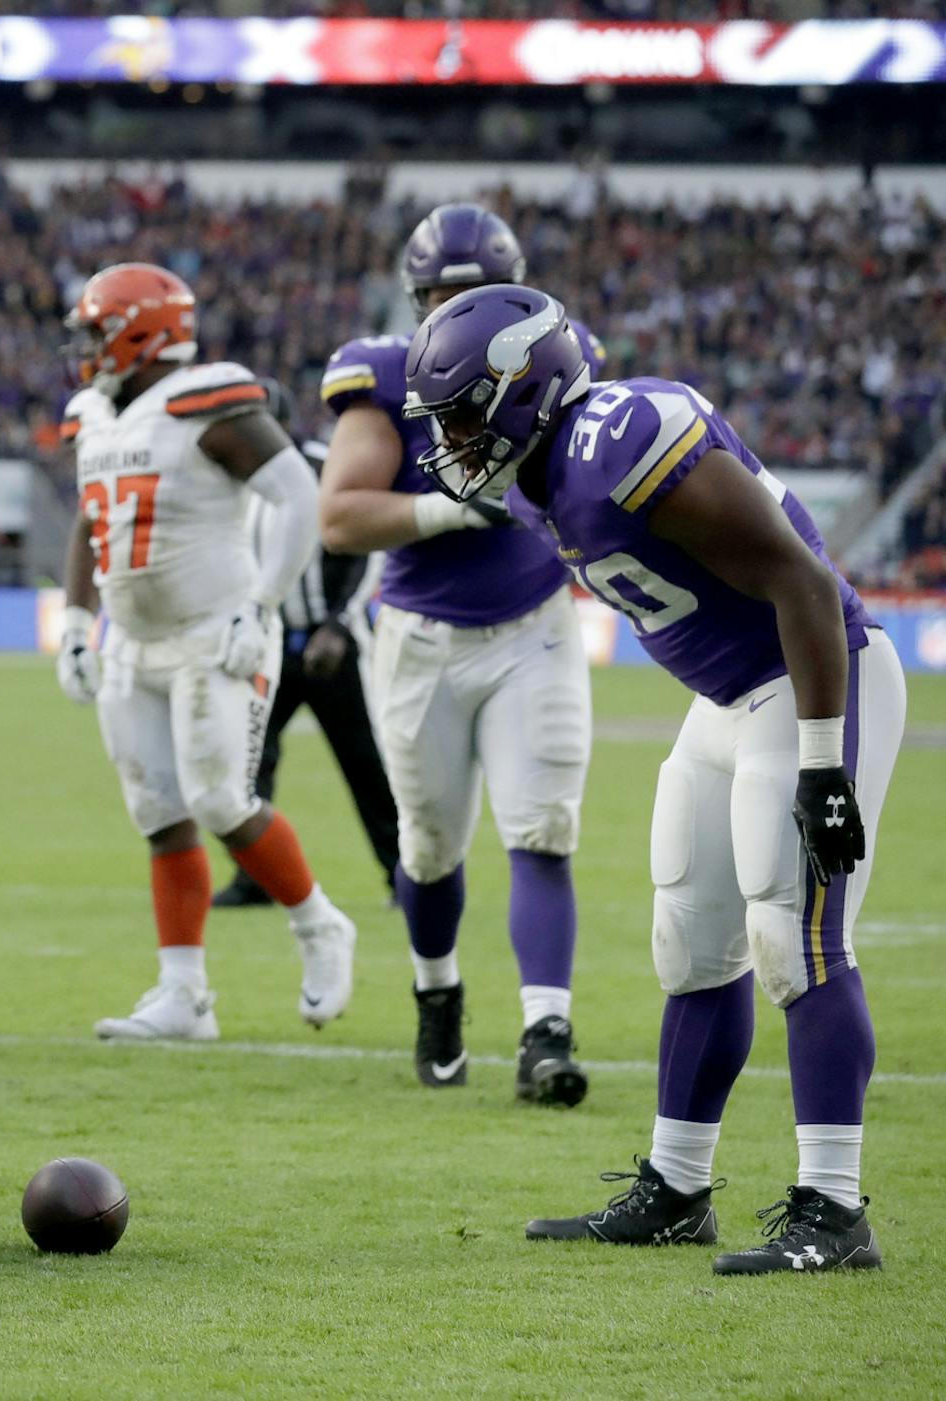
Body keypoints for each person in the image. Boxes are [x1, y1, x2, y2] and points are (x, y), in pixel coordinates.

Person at [404, 283, 903, 1274]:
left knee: (796, 937)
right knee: (691, 938)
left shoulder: (620, 437)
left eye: (464, 411)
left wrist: (821, 763)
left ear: (524, 389)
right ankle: (677, 1188)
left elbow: (802, 581)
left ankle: (836, 1210)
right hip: (725, 698)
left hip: (811, 679)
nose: (452, 436)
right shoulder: (542, 475)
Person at [316, 205, 603, 1103]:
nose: (460, 309)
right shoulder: (389, 375)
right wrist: (448, 508)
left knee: (542, 829)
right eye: (443, 294)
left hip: (534, 624)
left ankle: (545, 1030)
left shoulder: (560, 352)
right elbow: (338, 515)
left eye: (475, 294)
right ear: (417, 297)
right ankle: (436, 993)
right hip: (422, 639)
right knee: (429, 844)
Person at [53, 263, 357, 1042]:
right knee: (159, 812)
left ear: (143, 327)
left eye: (97, 328)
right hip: (136, 642)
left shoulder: (206, 399)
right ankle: (183, 993)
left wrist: (261, 605)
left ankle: (321, 927)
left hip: (213, 633)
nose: (86, 346)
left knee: (222, 798)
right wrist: (80, 622)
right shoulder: (93, 413)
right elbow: (92, 526)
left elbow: (298, 493)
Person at [214, 394, 399, 910]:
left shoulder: (322, 467)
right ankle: (255, 877)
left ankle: (408, 878)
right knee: (248, 760)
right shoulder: (233, 482)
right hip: (267, 643)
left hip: (331, 648)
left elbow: (368, 544)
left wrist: (340, 623)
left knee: (367, 764)